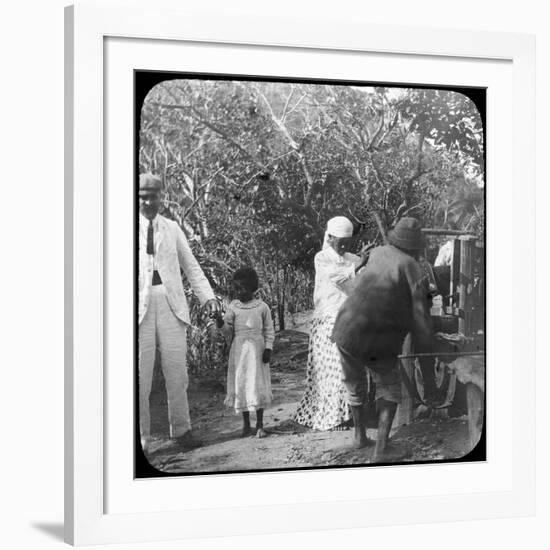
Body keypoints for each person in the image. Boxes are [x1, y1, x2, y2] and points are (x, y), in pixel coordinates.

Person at [332, 217, 433, 462]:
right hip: (375, 337)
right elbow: (422, 322)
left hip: (346, 327)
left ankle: (360, 437)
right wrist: (429, 357)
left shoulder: (378, 252)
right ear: (416, 246)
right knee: (389, 388)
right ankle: (382, 450)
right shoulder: (413, 268)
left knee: (354, 383)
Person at [138, 173, 221, 453]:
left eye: (154, 195)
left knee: (177, 373)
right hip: (138, 310)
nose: (148, 201)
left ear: (162, 197)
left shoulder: (172, 228)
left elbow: (192, 266)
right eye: (142, 196)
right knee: (140, 377)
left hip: (172, 306)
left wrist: (208, 298)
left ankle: (182, 431)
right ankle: (142, 441)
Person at [293, 216, 366, 431]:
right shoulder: (322, 258)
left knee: (351, 370)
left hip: (351, 319)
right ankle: (332, 417)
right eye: (340, 241)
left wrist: (364, 264)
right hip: (328, 320)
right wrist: (361, 264)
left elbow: (362, 281)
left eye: (347, 242)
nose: (344, 246)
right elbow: (338, 278)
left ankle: (351, 414)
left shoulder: (353, 258)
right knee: (331, 369)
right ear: (330, 237)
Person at [216, 267, 275, 438]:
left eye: (243, 288)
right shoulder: (233, 307)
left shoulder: (262, 307)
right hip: (239, 352)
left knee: (257, 384)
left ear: (252, 288)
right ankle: (246, 425)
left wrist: (268, 348)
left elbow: (269, 330)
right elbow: (227, 330)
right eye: (236, 288)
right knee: (242, 384)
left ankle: (260, 424)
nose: (239, 292)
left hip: (257, 350)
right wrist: (220, 321)